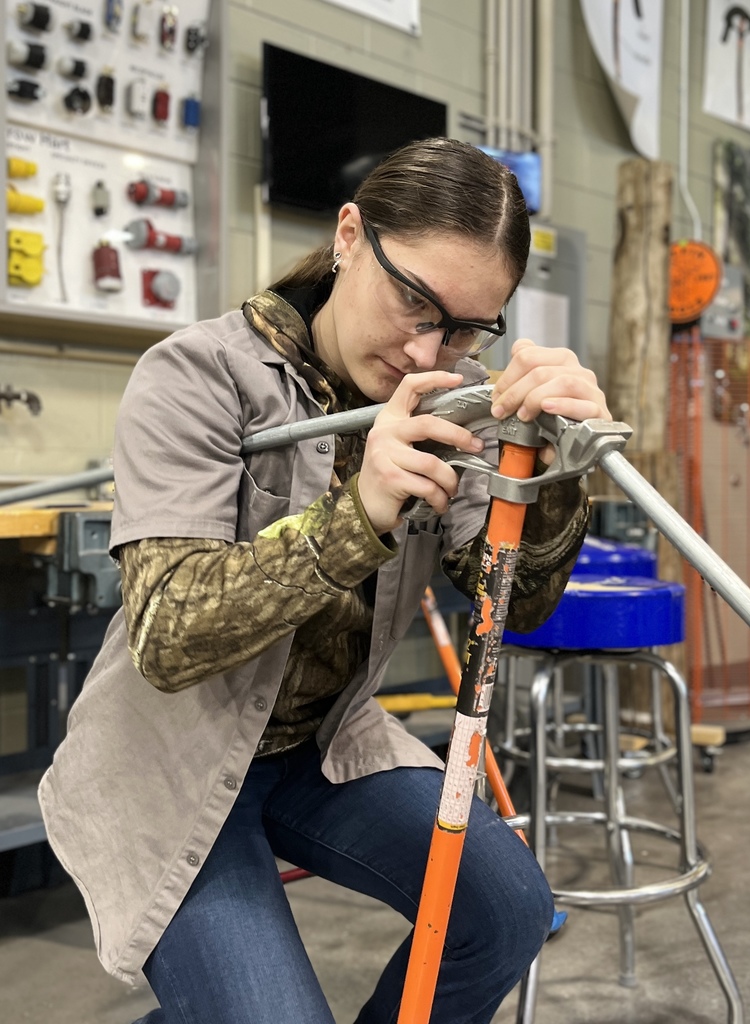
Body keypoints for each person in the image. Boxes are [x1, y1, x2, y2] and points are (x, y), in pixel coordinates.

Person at [39, 137, 610, 1024]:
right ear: (350, 234)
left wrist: (559, 477)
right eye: (415, 300)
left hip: (325, 747)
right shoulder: (198, 375)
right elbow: (165, 637)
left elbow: (513, 604)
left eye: (468, 326)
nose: (432, 346)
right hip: (173, 759)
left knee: (508, 914)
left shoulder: (452, 395)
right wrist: (360, 514)